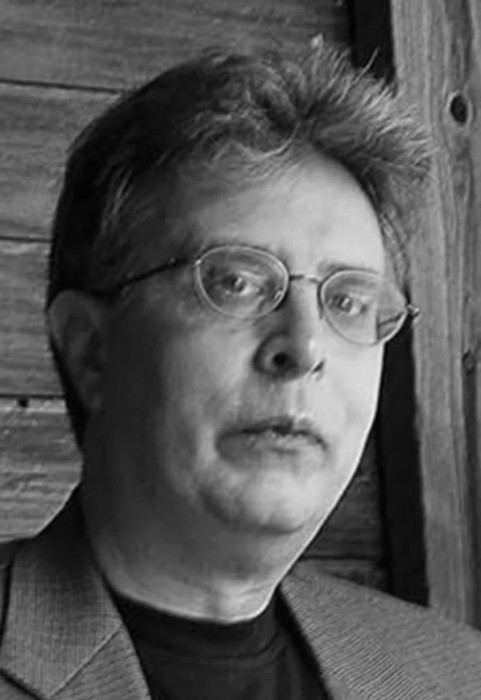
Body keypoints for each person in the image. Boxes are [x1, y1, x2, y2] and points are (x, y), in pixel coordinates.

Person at [1, 40, 480, 700]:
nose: (304, 346)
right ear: (91, 351)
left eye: (347, 301)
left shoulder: (458, 675)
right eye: (236, 283)